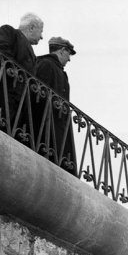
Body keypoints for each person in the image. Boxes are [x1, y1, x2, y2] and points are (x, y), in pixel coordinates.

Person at [0, 13, 44, 132]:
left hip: (14, 107)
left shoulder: (32, 54)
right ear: (32, 27)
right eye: (41, 31)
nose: (42, 36)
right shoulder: (9, 31)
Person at [33, 37, 77, 175]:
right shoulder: (46, 65)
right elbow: (37, 98)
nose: (69, 59)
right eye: (69, 54)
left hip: (56, 128)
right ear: (62, 50)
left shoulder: (58, 70)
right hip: (47, 129)